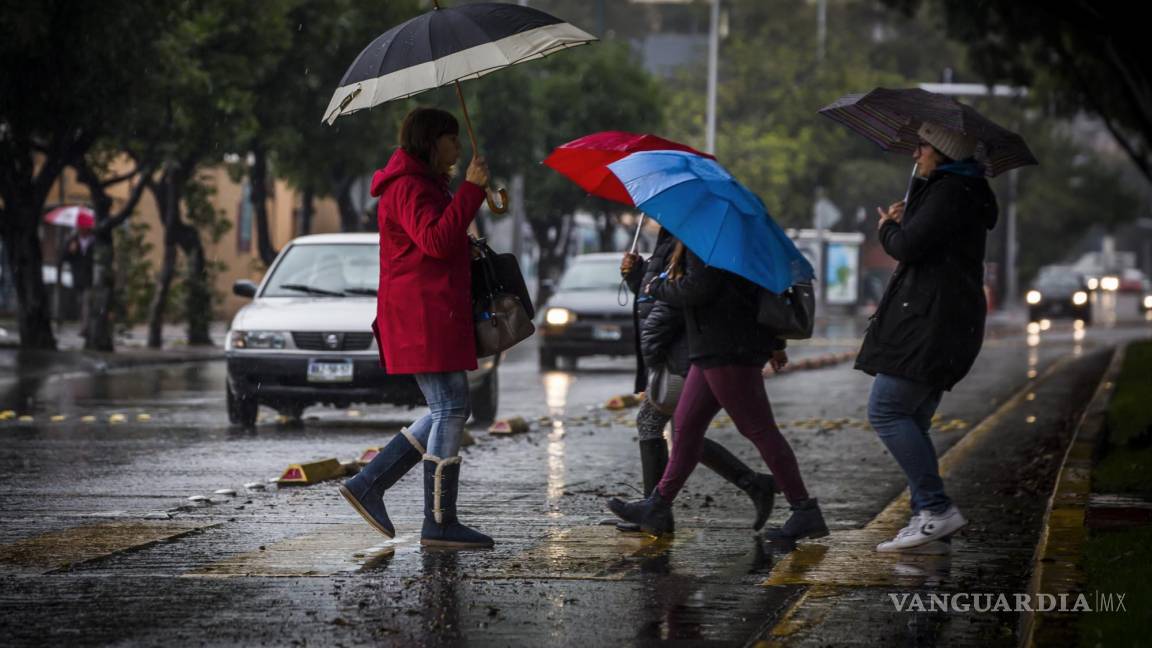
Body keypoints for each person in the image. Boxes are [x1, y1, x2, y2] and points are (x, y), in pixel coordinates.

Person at [339, 107, 494, 548]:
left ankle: (371, 483)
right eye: (451, 140)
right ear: (430, 142)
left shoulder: (425, 185)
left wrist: (471, 196)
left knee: (448, 405)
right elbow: (436, 241)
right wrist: (470, 192)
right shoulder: (408, 187)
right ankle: (439, 522)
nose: (458, 148)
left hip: (431, 312)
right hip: (421, 315)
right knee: (450, 406)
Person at [607, 246, 828, 541]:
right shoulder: (716, 240)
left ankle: (804, 510)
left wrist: (654, 284)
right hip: (710, 345)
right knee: (686, 430)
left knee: (760, 430)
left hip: (728, 346)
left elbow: (699, 289)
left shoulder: (708, 244)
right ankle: (657, 506)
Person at [856, 121, 999, 553]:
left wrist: (887, 227)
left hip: (932, 323)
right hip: (943, 321)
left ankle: (936, 509)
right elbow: (925, 240)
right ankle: (925, 516)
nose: (915, 154)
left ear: (942, 152)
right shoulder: (955, 193)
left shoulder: (951, 193)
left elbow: (908, 248)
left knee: (886, 410)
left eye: (922, 147)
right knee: (912, 419)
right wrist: (912, 209)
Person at [618, 228, 777, 533]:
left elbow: (681, 296)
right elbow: (657, 292)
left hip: (686, 348)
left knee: (659, 425)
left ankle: (658, 511)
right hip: (686, 347)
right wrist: (635, 274)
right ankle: (753, 484)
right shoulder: (669, 238)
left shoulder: (688, 237)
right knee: (683, 432)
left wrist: (653, 346)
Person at [59, 223, 95, 333]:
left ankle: (85, 328)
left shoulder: (94, 239)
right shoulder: (73, 240)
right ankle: (84, 325)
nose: (81, 229)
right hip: (78, 276)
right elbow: (64, 257)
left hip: (91, 276)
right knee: (80, 303)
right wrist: (70, 251)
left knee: (86, 301)